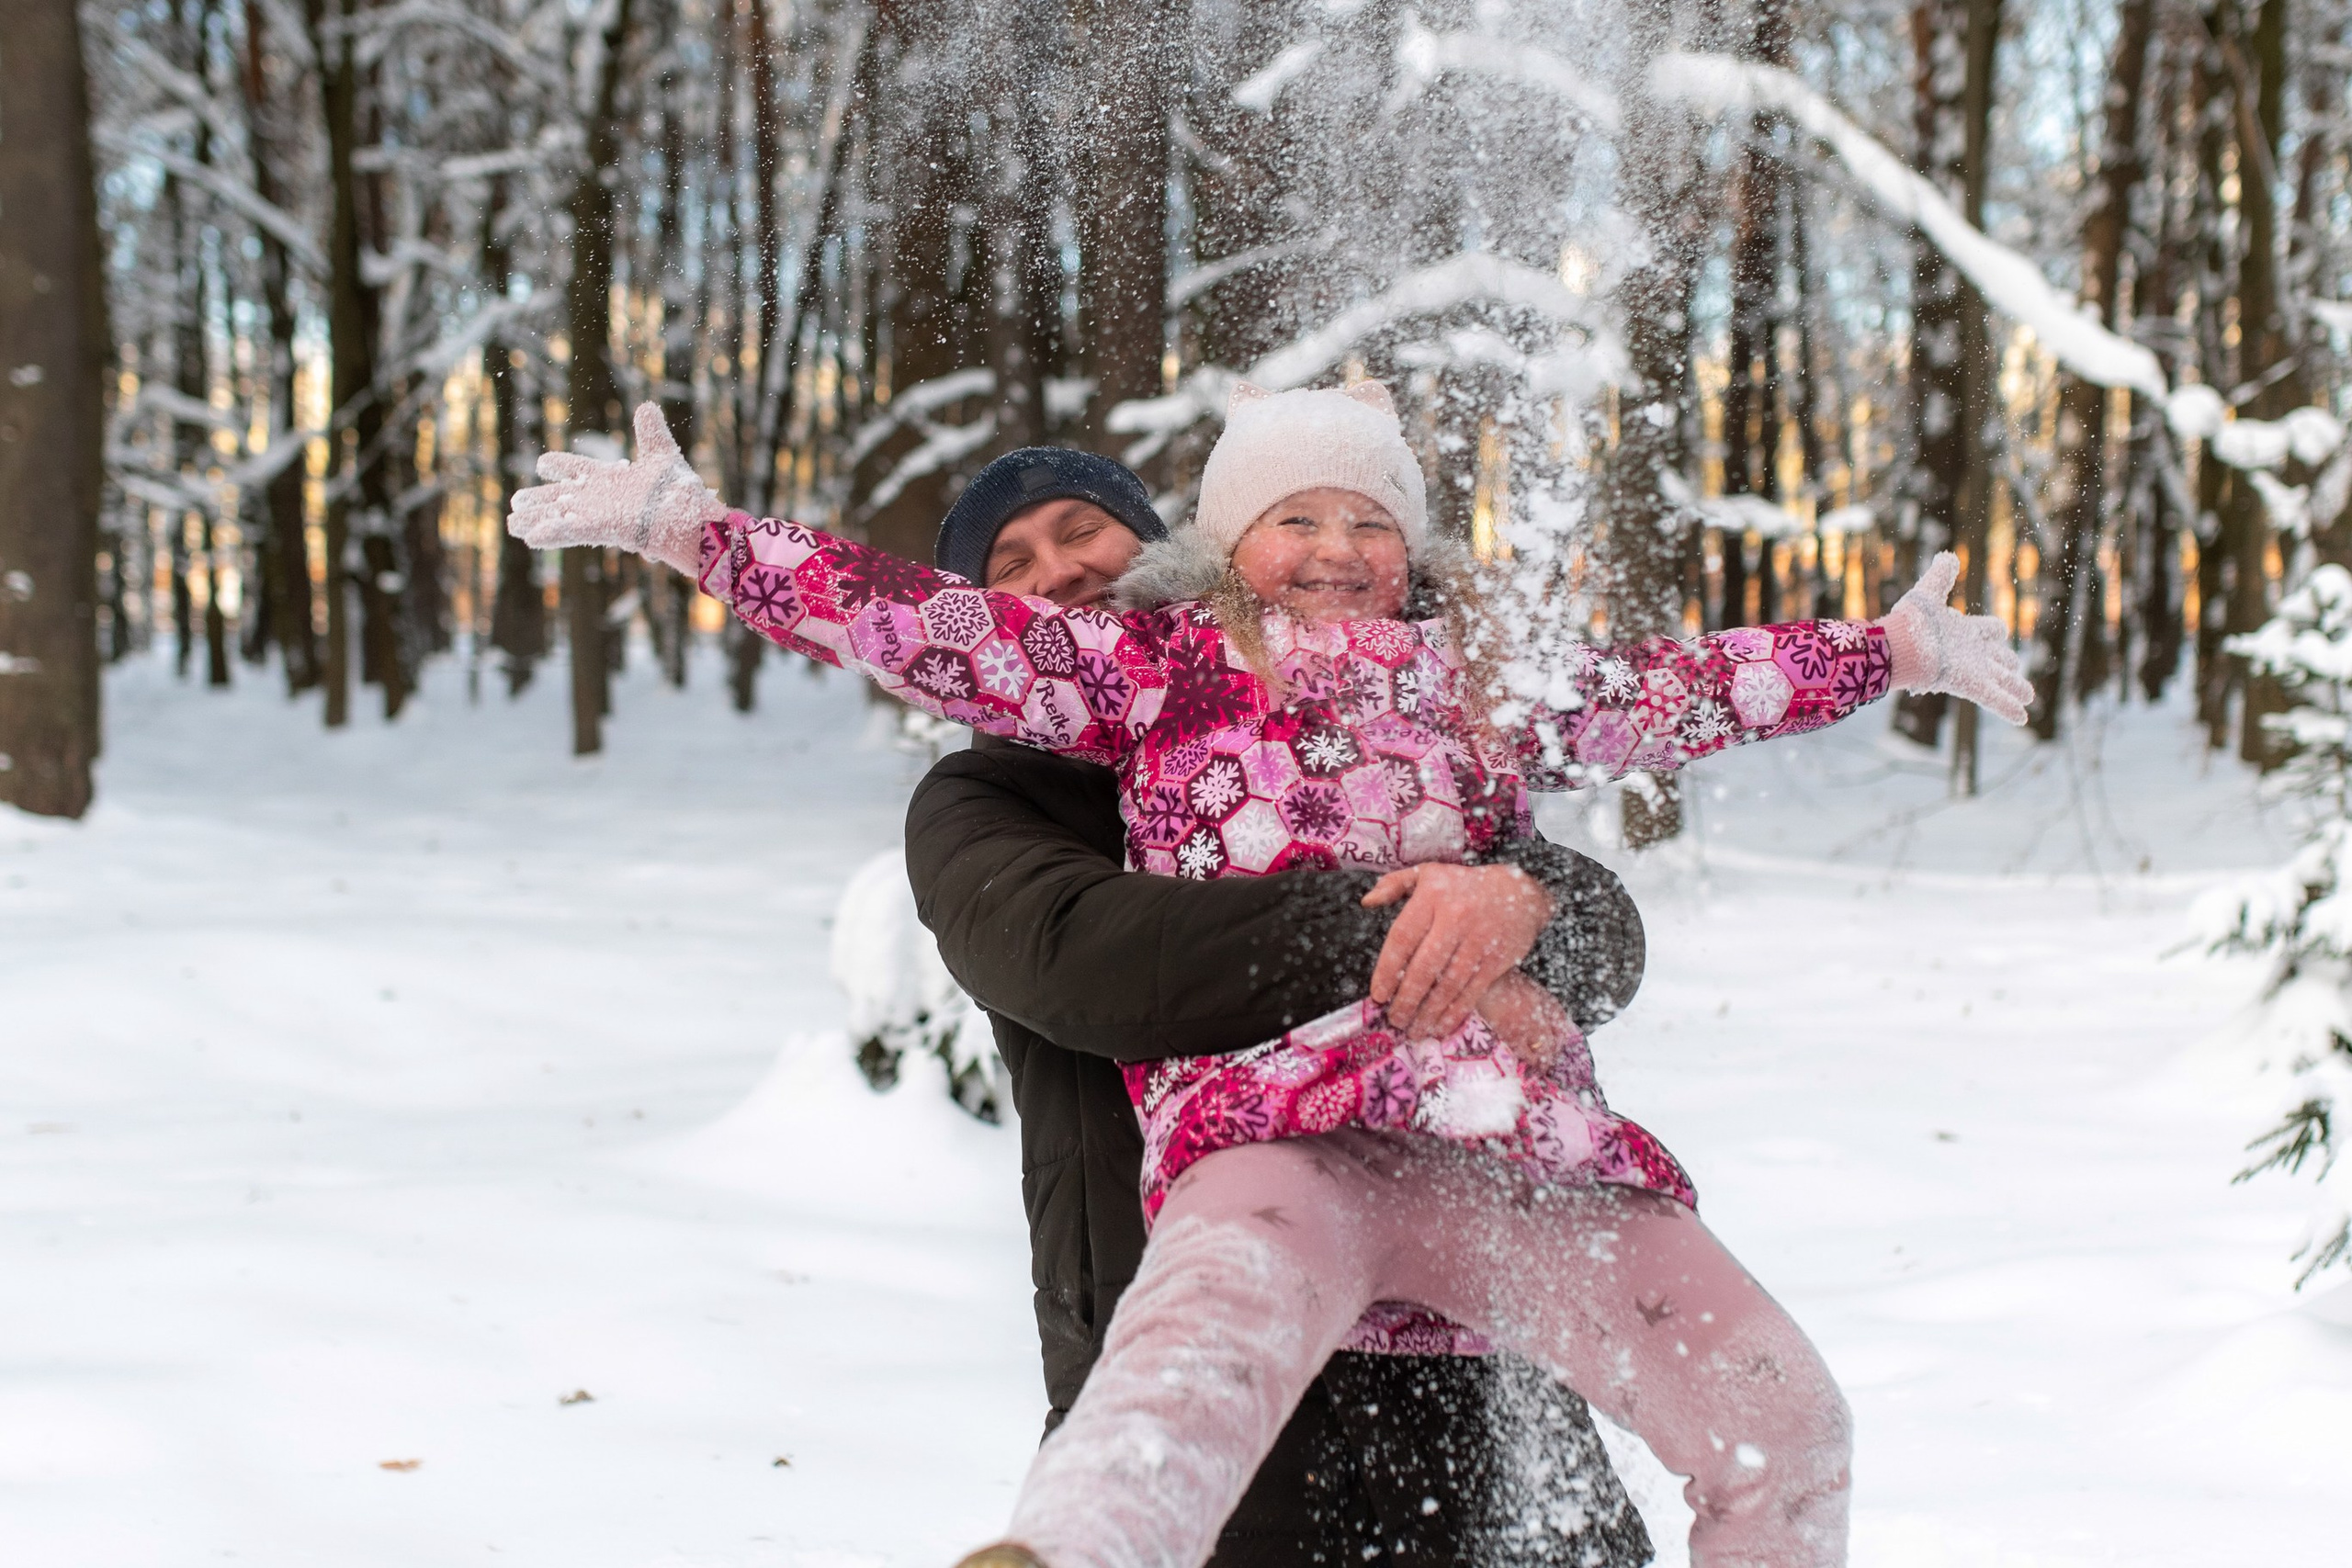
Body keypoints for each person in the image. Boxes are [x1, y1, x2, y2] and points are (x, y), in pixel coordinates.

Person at [507, 385, 2030, 1568]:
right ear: (1234, 548)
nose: (1334, 547)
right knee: (1189, 1368)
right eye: (1291, 516)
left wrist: (1884, 652)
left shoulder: (1479, 694)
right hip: (1278, 1153)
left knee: (1782, 1412)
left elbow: (1678, 690)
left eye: (1368, 520)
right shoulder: (1123, 700)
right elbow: (927, 630)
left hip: (1509, 1175)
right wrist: (697, 533)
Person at [902, 444, 1656, 1567]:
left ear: (1165, 546)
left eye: (1080, 532)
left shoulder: (1378, 720)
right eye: (1010, 564)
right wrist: (1413, 928)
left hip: (1483, 1344)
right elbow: (1095, 965)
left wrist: (1523, 902)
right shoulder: (984, 801)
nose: (1055, 571)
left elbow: (1601, 949)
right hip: (1207, 1372)